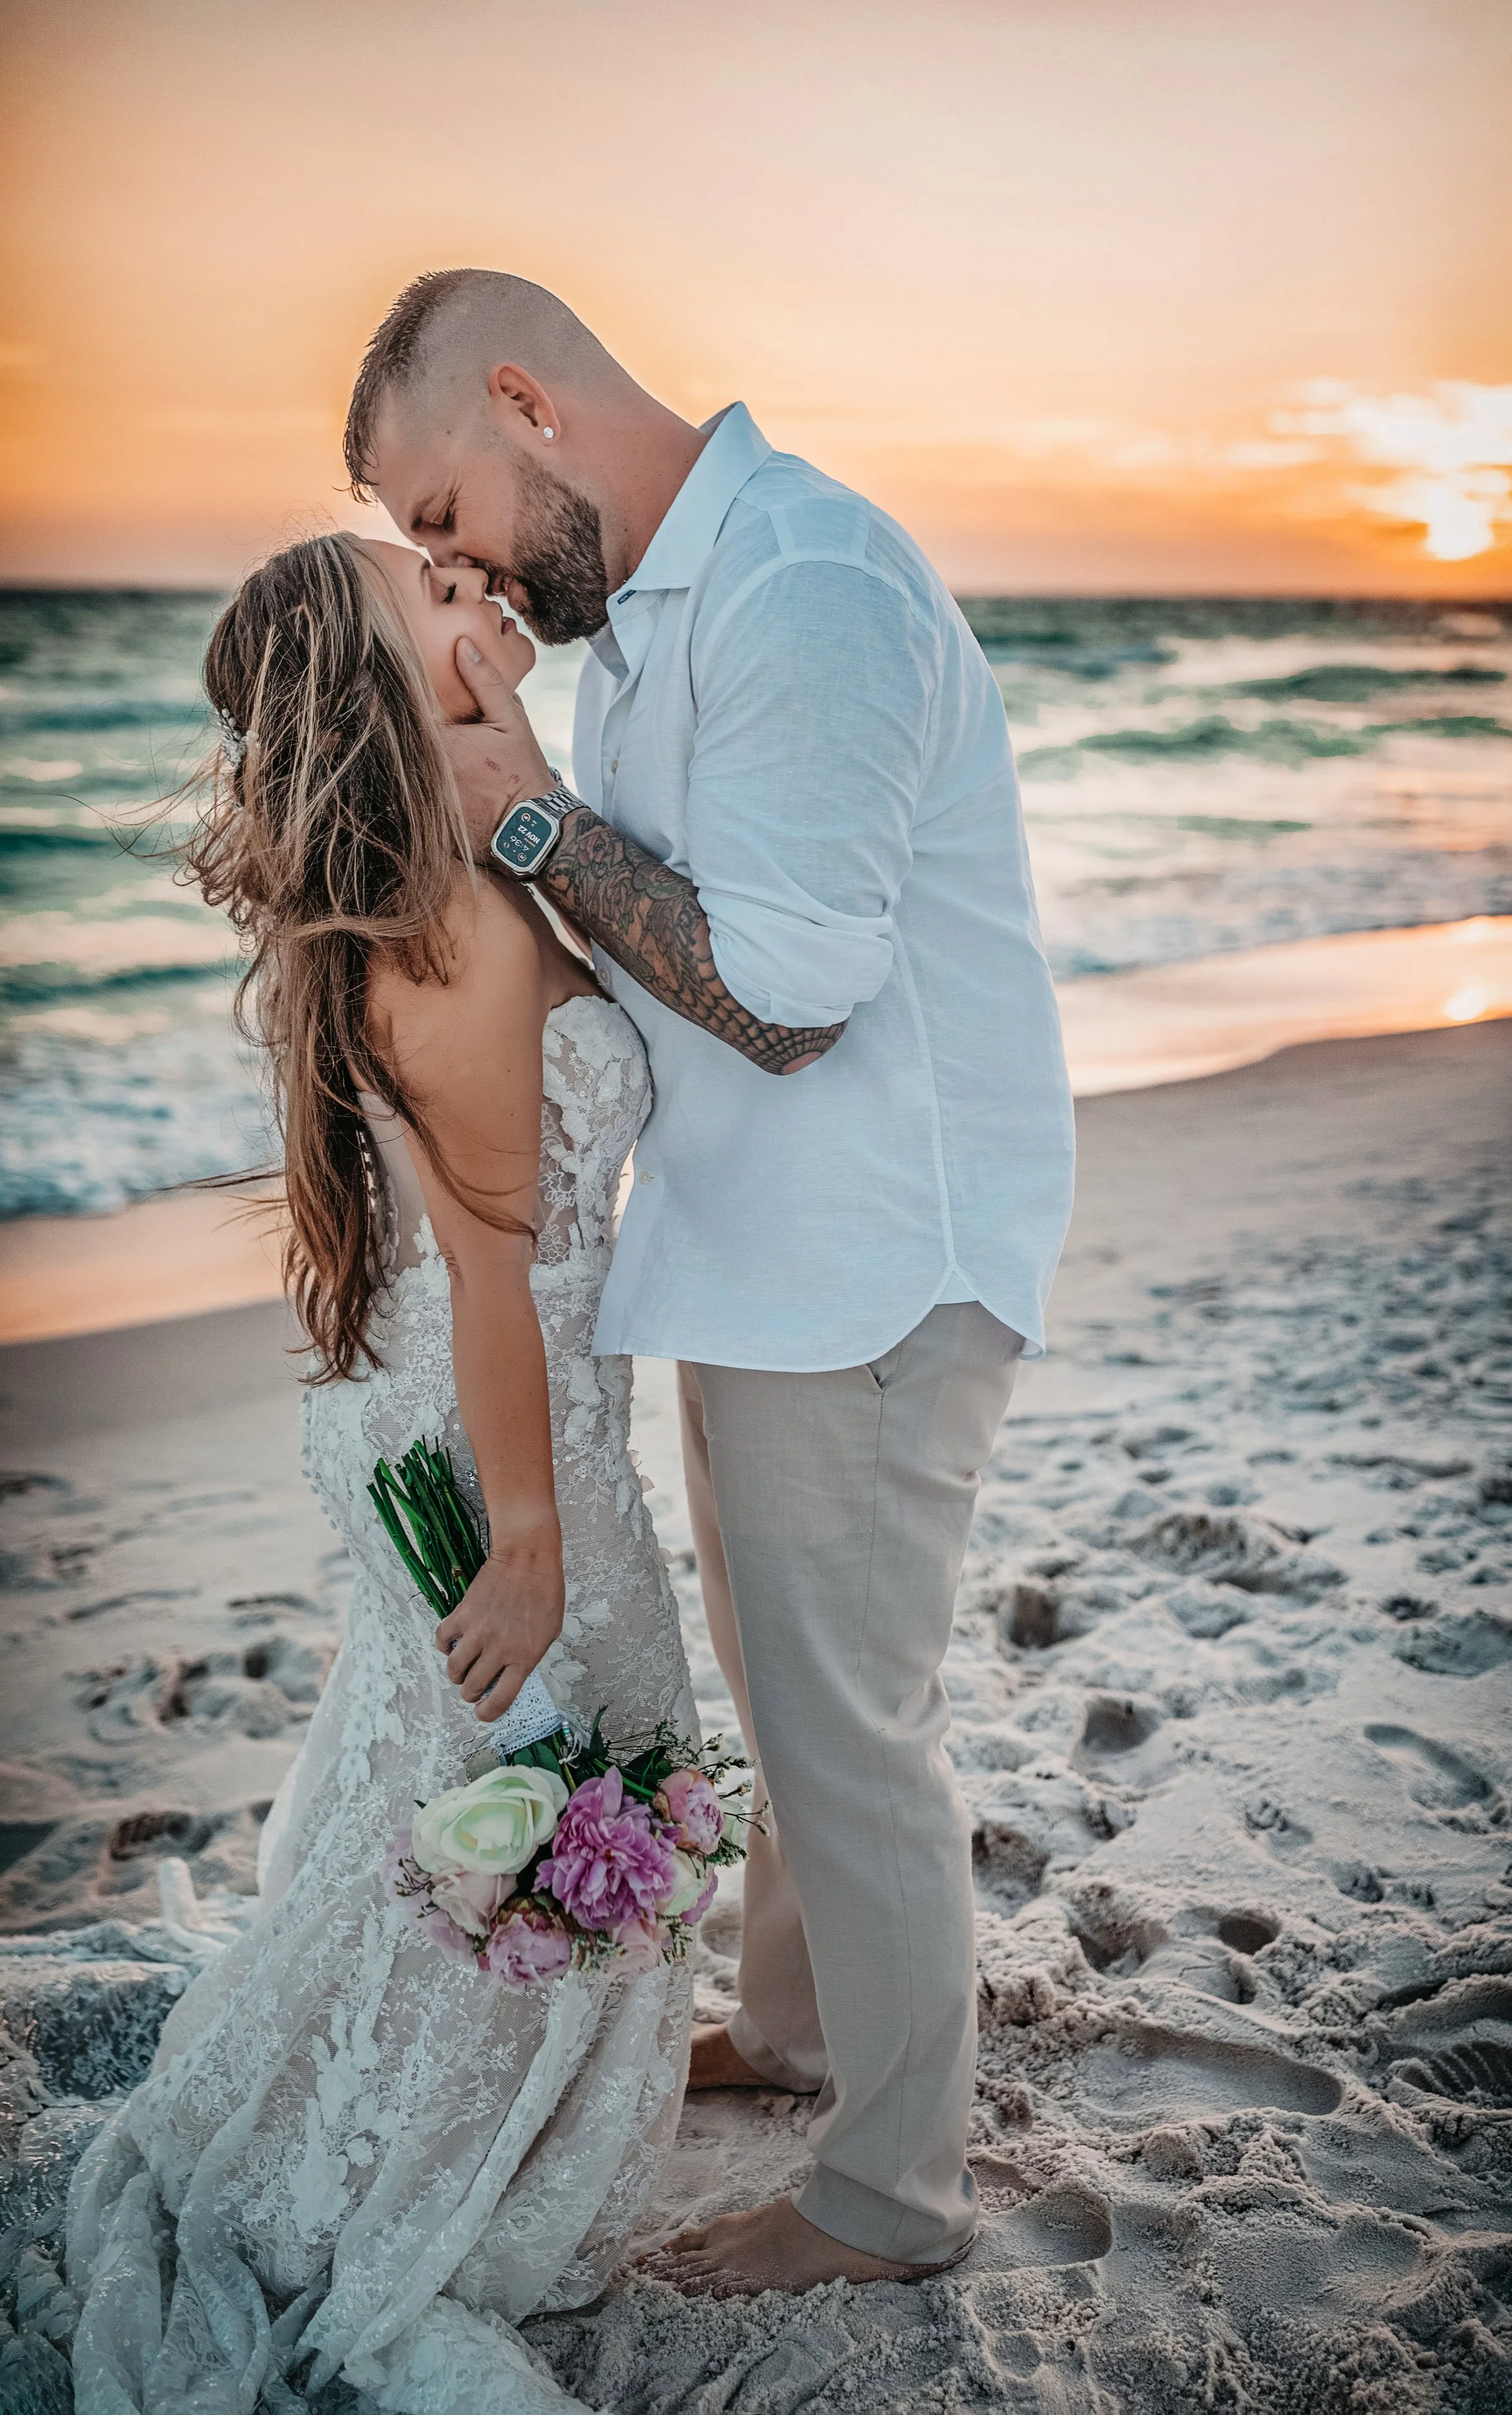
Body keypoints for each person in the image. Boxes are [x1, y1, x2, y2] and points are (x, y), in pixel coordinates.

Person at [347, 270, 1076, 2298]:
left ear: (526, 402)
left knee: (847, 1726)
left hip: (868, 1260)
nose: (449, 562)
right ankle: (797, 2031)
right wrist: (499, 757)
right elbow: (636, 930)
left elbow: (780, 998)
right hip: (756, 1248)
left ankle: (886, 2191)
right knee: (784, 1685)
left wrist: (527, 806)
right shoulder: (657, 616)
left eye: (439, 512)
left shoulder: (809, 589)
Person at [66, 529, 694, 2414]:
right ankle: (418, 2170)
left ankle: (427, 2110)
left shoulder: (441, 882)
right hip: (497, 1424)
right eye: (439, 601)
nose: (479, 596)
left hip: (469, 1394)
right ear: (382, 680)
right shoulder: (444, 933)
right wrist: (526, 1537)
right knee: (538, 1775)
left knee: (461, 1793)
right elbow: (498, 1265)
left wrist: (522, 750)